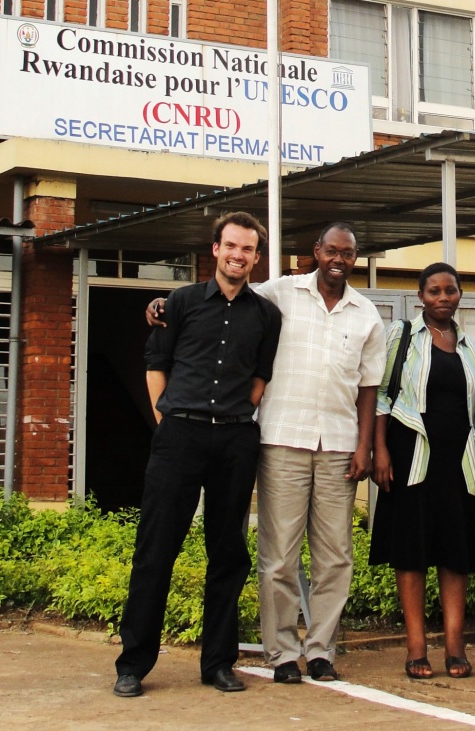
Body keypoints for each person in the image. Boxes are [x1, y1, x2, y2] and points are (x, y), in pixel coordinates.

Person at [146, 222, 386, 685]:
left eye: (348, 253)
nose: (339, 258)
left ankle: (321, 650)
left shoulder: (367, 314)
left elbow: (368, 388)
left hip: (338, 445)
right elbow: (224, 295)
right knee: (279, 555)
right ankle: (281, 653)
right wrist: (159, 305)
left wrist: (364, 447)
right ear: (315, 252)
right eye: (331, 250)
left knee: (335, 555)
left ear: (355, 258)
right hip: (281, 440)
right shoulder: (279, 293)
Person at [114, 212, 282, 698]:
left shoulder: (266, 315)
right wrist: (168, 424)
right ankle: (133, 664)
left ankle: (218, 664)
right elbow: (156, 364)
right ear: (215, 249)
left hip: (234, 440)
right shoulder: (180, 303)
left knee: (228, 553)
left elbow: (259, 380)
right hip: (179, 437)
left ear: (255, 256)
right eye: (231, 246)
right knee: (155, 550)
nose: (238, 256)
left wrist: (232, 421)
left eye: (248, 249)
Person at [370, 262, 475, 680]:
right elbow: (383, 397)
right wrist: (380, 451)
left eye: (450, 291)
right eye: (434, 292)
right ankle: (416, 647)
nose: (443, 298)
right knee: (412, 553)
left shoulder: (470, 347)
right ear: (421, 296)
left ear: (460, 295)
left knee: (454, 554)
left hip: (456, 463)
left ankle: (456, 646)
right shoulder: (402, 336)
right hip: (411, 458)